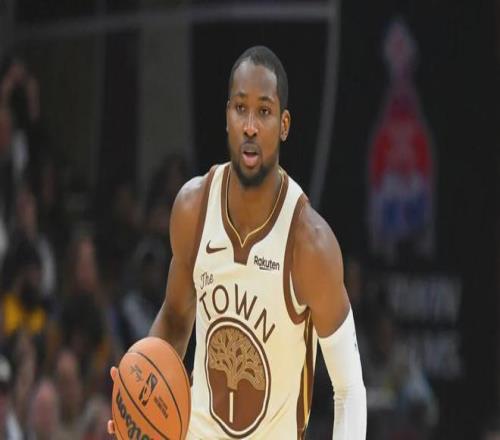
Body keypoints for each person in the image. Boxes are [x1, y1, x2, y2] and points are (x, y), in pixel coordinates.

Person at [109, 45, 366, 439]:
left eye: (264, 111)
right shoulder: (193, 209)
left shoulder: (310, 244)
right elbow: (175, 319)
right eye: (241, 108)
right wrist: (138, 402)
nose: (250, 126)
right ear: (227, 116)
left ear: (284, 125)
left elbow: (348, 390)